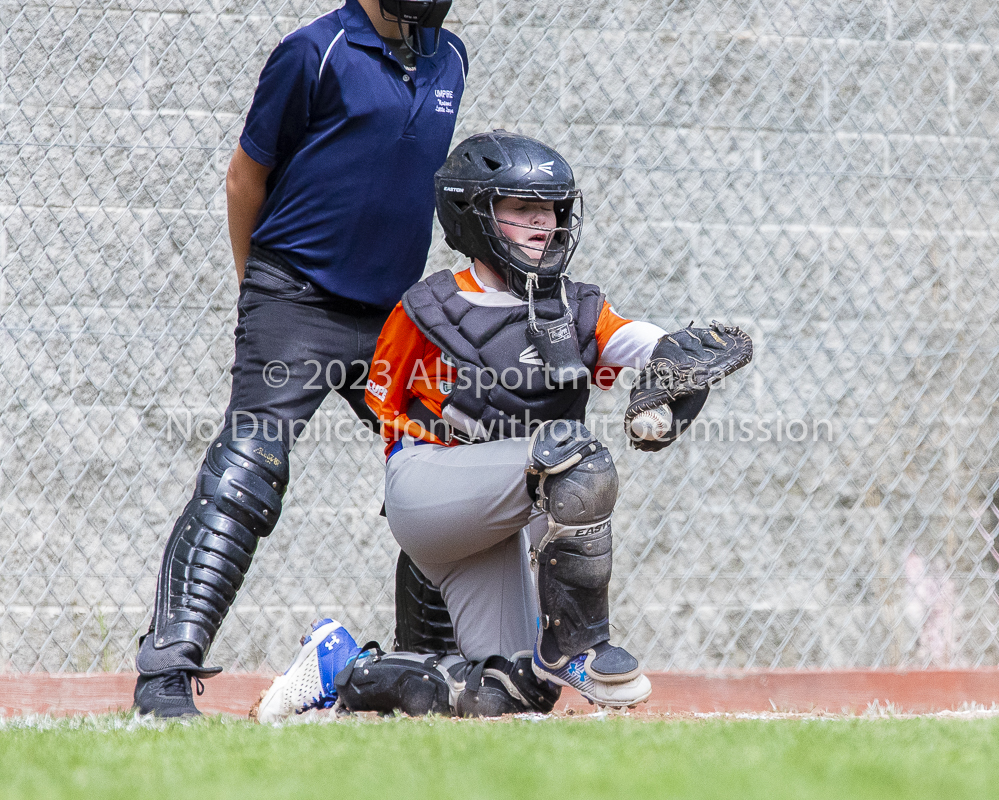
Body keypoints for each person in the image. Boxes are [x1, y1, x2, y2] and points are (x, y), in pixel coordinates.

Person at [252, 130, 749, 721]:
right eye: (520, 208)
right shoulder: (429, 306)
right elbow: (386, 408)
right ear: (472, 216)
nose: (542, 223)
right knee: (576, 455)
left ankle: (342, 667)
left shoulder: (576, 308)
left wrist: (674, 361)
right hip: (426, 490)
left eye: (550, 209)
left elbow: (638, 344)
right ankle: (580, 647)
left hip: (495, 519)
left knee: (509, 697)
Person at [133, 0, 468, 718]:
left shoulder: (451, 59)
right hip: (296, 298)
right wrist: (261, 293)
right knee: (249, 468)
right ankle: (163, 677)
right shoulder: (312, 53)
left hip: (391, 319)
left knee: (450, 465)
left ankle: (432, 671)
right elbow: (243, 179)